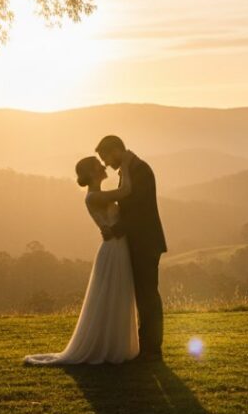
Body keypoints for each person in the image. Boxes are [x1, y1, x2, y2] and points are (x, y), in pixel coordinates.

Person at [24, 154, 139, 365]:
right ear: (91, 173)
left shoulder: (98, 194)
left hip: (117, 246)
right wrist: (125, 167)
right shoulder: (93, 196)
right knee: (111, 296)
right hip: (113, 249)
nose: (103, 166)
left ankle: (115, 345)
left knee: (117, 295)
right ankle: (107, 347)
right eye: (98, 165)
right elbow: (125, 192)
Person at [96, 135, 167, 362]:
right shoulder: (130, 170)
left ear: (116, 150)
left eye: (105, 157)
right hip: (137, 242)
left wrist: (115, 230)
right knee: (143, 295)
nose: (106, 163)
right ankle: (145, 347)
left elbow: (138, 212)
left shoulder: (141, 171)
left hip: (145, 243)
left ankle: (152, 349)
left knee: (147, 295)